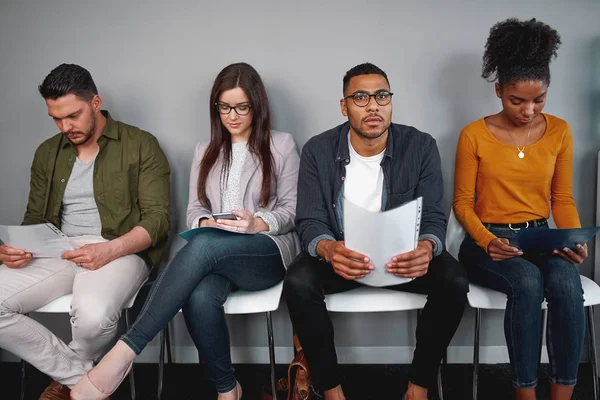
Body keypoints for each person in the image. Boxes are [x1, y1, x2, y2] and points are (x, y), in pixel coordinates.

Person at [71, 62, 300, 400]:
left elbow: (292, 211)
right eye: (224, 107)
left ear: (257, 106)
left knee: (206, 245)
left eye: (241, 107)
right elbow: (194, 209)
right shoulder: (204, 151)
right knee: (199, 294)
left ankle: (125, 350)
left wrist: (257, 222)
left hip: (264, 251)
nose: (232, 116)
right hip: (215, 254)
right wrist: (204, 223)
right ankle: (228, 390)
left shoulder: (281, 145)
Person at [284, 62, 468, 400]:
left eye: (381, 95)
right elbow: (309, 220)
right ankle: (331, 389)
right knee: (297, 281)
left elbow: (434, 216)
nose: (373, 105)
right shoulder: (318, 150)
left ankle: (418, 386)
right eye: (360, 97)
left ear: (391, 101)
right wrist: (329, 250)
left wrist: (427, 247)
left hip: (403, 259)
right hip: (344, 258)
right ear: (344, 106)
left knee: (454, 281)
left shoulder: (420, 146)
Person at [0, 64, 171, 400]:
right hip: (57, 251)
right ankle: (84, 381)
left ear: (95, 102)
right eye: (56, 118)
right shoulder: (47, 152)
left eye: (73, 116)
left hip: (119, 250)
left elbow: (158, 220)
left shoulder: (140, 145)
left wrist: (109, 250)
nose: (66, 127)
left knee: (93, 319)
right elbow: (35, 217)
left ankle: (69, 382)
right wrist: (14, 248)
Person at [453, 18, 587, 400]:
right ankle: (524, 393)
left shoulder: (560, 131)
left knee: (565, 280)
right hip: (486, 240)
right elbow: (461, 203)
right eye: (517, 100)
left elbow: (561, 198)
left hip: (540, 235)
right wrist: (487, 239)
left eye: (539, 99)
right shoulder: (474, 135)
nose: (529, 110)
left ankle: (564, 393)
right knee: (526, 281)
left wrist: (572, 238)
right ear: (498, 90)